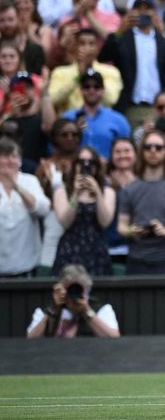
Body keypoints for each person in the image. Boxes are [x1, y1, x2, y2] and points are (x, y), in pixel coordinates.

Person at [117, 130, 165, 275]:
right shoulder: (129, 189)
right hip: (136, 260)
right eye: (148, 147)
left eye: (158, 147)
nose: (153, 151)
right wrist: (132, 231)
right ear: (141, 152)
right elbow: (121, 226)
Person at [51, 146, 115, 277]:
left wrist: (97, 193)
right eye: (81, 162)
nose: (86, 166)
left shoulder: (107, 192)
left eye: (91, 163)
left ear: (96, 167)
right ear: (74, 165)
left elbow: (105, 222)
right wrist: (75, 194)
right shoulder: (61, 191)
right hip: (70, 250)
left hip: (96, 250)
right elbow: (65, 222)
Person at [0, 137, 50, 277]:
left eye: (14, 156)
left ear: (20, 161)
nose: (10, 160)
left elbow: (43, 209)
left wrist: (16, 187)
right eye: (4, 156)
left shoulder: (30, 181)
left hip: (26, 265)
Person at [26, 264, 119, 338]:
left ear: (87, 290)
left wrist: (87, 311)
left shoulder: (102, 310)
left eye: (79, 289)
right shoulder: (47, 311)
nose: (74, 294)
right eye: (70, 289)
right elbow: (31, 339)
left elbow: (114, 339)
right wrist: (53, 311)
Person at [61, 68, 130, 160]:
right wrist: (75, 133)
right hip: (75, 169)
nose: (91, 90)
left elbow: (126, 150)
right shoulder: (67, 118)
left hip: (107, 171)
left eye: (96, 87)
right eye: (87, 87)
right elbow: (57, 149)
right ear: (80, 90)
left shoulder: (118, 120)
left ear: (103, 90)